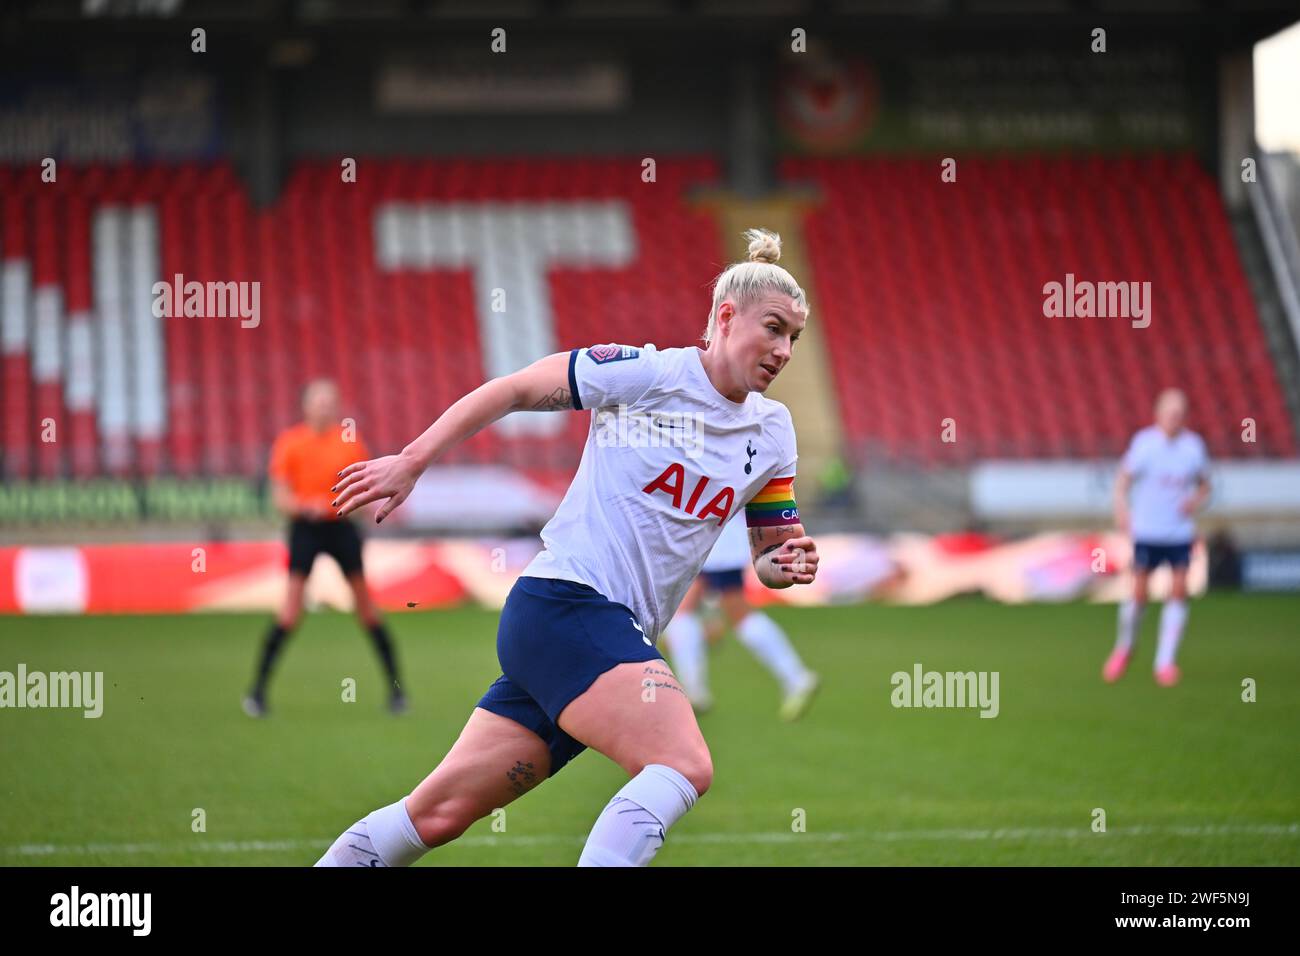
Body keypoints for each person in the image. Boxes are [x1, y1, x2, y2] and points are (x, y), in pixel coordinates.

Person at [316, 228, 819, 867]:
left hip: (592, 637)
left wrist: (787, 563)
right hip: (567, 605)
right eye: (773, 328)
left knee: (437, 813)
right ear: (725, 317)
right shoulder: (649, 374)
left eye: (795, 338)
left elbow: (771, 553)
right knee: (683, 763)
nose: (783, 349)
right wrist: (413, 461)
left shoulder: (772, 432)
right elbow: (518, 387)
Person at [243, 379, 406, 717]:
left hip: (341, 527)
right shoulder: (291, 443)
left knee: (366, 610)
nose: (325, 408)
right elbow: (280, 497)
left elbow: (363, 496)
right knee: (291, 611)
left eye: (330, 402)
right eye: (318, 402)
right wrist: (307, 507)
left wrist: (334, 507)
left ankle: (397, 692)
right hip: (306, 529)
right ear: (305, 406)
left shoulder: (349, 444)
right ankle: (257, 693)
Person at [663, 511, 819, 719]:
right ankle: (694, 690)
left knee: (711, 610)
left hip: (712, 531)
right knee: (701, 607)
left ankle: (694, 691)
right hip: (719, 530)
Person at [1104, 388, 1210, 687]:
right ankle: (1125, 647)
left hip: (1178, 532)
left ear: (1184, 417)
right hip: (1148, 530)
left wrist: (1195, 501)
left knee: (1178, 591)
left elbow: (1205, 486)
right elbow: (1122, 481)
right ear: (1158, 414)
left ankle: (1164, 662)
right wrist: (1122, 510)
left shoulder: (1193, 447)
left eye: (1179, 414)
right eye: (1169, 413)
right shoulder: (1145, 444)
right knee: (1139, 594)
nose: (1174, 419)